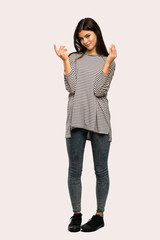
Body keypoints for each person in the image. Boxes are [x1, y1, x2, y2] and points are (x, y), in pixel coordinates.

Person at [54, 17, 117, 232]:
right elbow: (71, 87)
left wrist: (108, 62)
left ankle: (99, 215)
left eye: (88, 35)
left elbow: (100, 91)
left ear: (96, 33)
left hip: (99, 118)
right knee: (74, 170)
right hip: (77, 119)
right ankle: (76, 214)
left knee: (101, 170)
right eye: (81, 38)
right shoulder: (74, 58)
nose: (85, 40)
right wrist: (65, 60)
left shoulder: (107, 60)